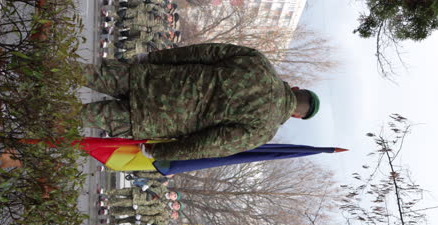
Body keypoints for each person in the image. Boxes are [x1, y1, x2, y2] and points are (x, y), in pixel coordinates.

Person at [80, 43, 320, 161]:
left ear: (296, 88)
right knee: (73, 116)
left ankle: (45, 67)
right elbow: (207, 145)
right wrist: (160, 151)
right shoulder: (263, 130)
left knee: (76, 73)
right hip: (150, 119)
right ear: (296, 116)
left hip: (149, 78)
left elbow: (200, 53)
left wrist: (152, 58)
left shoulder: (258, 62)